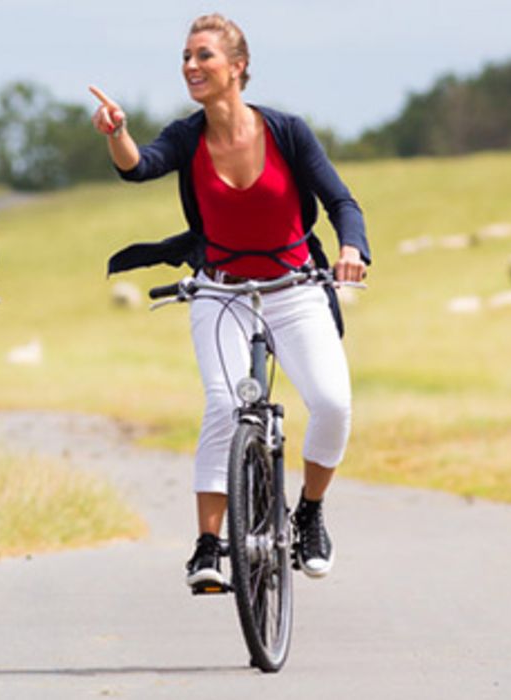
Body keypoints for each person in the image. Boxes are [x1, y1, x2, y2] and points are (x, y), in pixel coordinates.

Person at [90, 14, 369, 589]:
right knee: (223, 405)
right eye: (186, 58)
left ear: (237, 67)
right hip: (219, 290)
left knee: (333, 403)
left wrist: (351, 249)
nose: (191, 66)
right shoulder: (188, 136)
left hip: (295, 288)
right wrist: (117, 131)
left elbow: (342, 201)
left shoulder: (287, 131)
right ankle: (209, 546)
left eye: (204, 57)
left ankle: (310, 513)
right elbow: (138, 167)